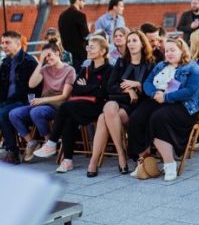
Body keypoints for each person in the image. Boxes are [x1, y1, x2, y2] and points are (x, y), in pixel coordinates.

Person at [127, 38, 199, 182]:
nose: (169, 53)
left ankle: (169, 164)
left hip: (182, 104)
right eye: (167, 51)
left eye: (173, 50)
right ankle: (144, 162)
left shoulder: (193, 68)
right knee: (136, 118)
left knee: (158, 118)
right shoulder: (160, 66)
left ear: (182, 51)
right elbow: (147, 82)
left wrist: (166, 97)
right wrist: (154, 94)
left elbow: (190, 91)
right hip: (158, 99)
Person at [35, 36, 113, 175]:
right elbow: (76, 89)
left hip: (98, 107)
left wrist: (87, 86)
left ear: (102, 51)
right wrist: (94, 87)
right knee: (69, 119)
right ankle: (68, 160)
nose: (88, 49)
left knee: (65, 107)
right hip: (82, 106)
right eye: (88, 47)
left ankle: (52, 143)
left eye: (92, 47)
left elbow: (104, 92)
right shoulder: (86, 68)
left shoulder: (109, 69)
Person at [85, 30, 156, 174]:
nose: (130, 44)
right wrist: (127, 90)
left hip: (139, 106)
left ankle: (95, 161)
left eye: (134, 40)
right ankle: (121, 154)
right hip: (120, 103)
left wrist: (138, 85)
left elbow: (152, 89)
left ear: (142, 43)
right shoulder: (121, 62)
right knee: (109, 107)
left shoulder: (150, 64)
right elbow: (110, 86)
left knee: (103, 118)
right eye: (129, 41)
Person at [8, 42, 76, 164]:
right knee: (13, 114)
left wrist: (42, 100)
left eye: (49, 55)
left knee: (36, 112)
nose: (47, 58)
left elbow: (64, 96)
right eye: (44, 56)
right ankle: (32, 142)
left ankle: (49, 142)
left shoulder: (69, 70)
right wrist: (40, 63)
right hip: (43, 105)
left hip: (59, 106)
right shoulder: (45, 69)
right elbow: (31, 84)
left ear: (57, 53)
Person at [0, 31, 38, 164]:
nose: (4, 46)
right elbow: (1, 88)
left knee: (3, 113)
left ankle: (13, 152)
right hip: (9, 102)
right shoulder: (5, 63)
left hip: (25, 101)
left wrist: (1, 105)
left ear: (18, 43)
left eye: (7, 42)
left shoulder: (29, 62)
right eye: (2, 43)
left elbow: (24, 91)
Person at [58, 0, 90, 69]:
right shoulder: (80, 15)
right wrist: (88, 29)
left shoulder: (62, 15)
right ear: (77, 0)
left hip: (67, 54)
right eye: (83, 1)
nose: (84, 3)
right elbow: (86, 36)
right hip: (80, 55)